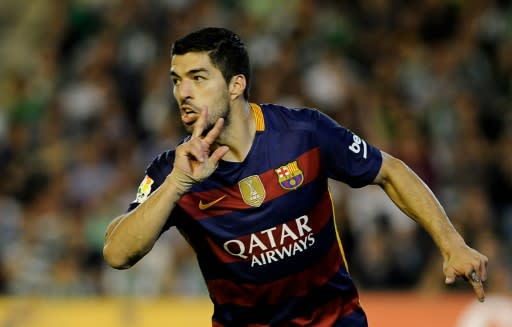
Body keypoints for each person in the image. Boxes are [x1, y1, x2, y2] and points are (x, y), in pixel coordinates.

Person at [103, 27, 488, 326]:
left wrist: (451, 242)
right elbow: (117, 253)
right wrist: (175, 185)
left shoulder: (303, 134)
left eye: (198, 78)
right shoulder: (174, 170)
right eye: (175, 80)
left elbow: (389, 170)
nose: (183, 92)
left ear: (236, 84)